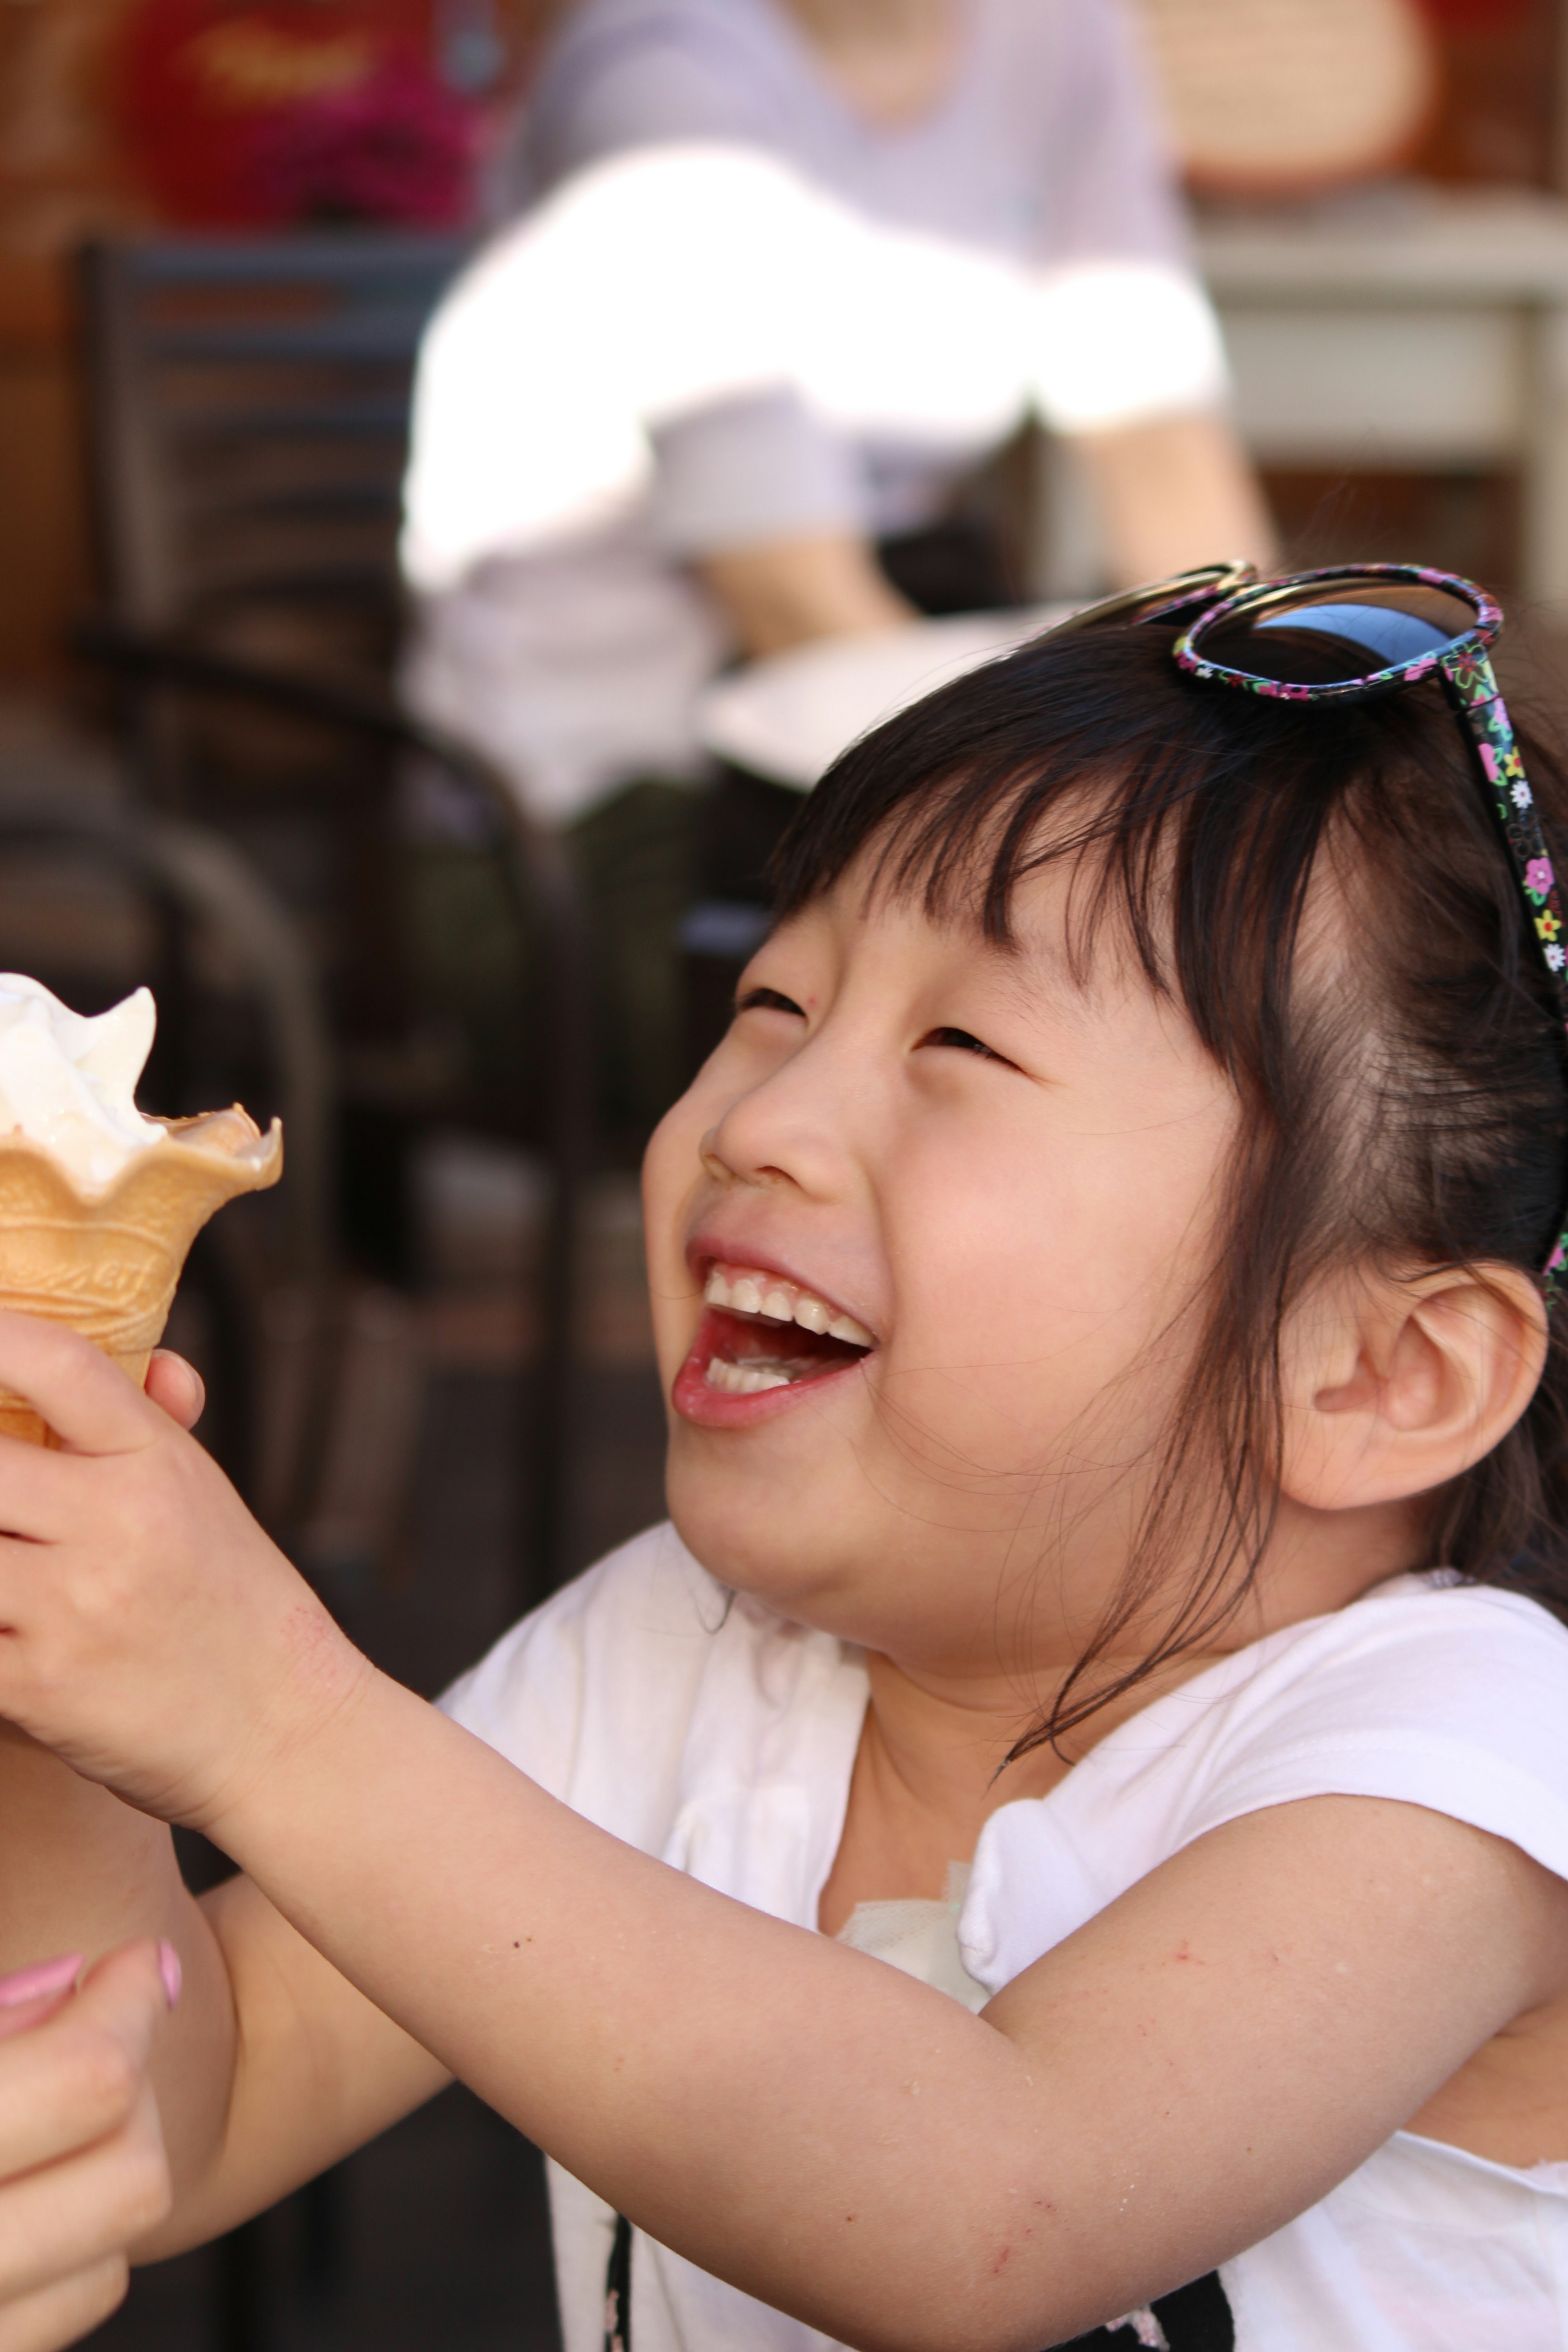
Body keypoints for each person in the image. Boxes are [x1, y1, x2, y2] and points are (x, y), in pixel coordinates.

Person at [6, 566, 1568, 2352]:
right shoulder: (681, 1648)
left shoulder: (1467, 1761)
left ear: (1379, 1370)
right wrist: (68, 1668)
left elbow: (994, 2207)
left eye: (961, 1046)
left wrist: (263, 1710)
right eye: (770, 1007)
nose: (759, 1120)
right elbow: (195, 2094)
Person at [399, 0, 1276, 1134]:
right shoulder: (661, 77)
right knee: (1105, 1049)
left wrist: (1284, 725)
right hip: (596, 826)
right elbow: (790, 596)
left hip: (831, 747)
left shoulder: (1059, 31)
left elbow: (1159, 439)